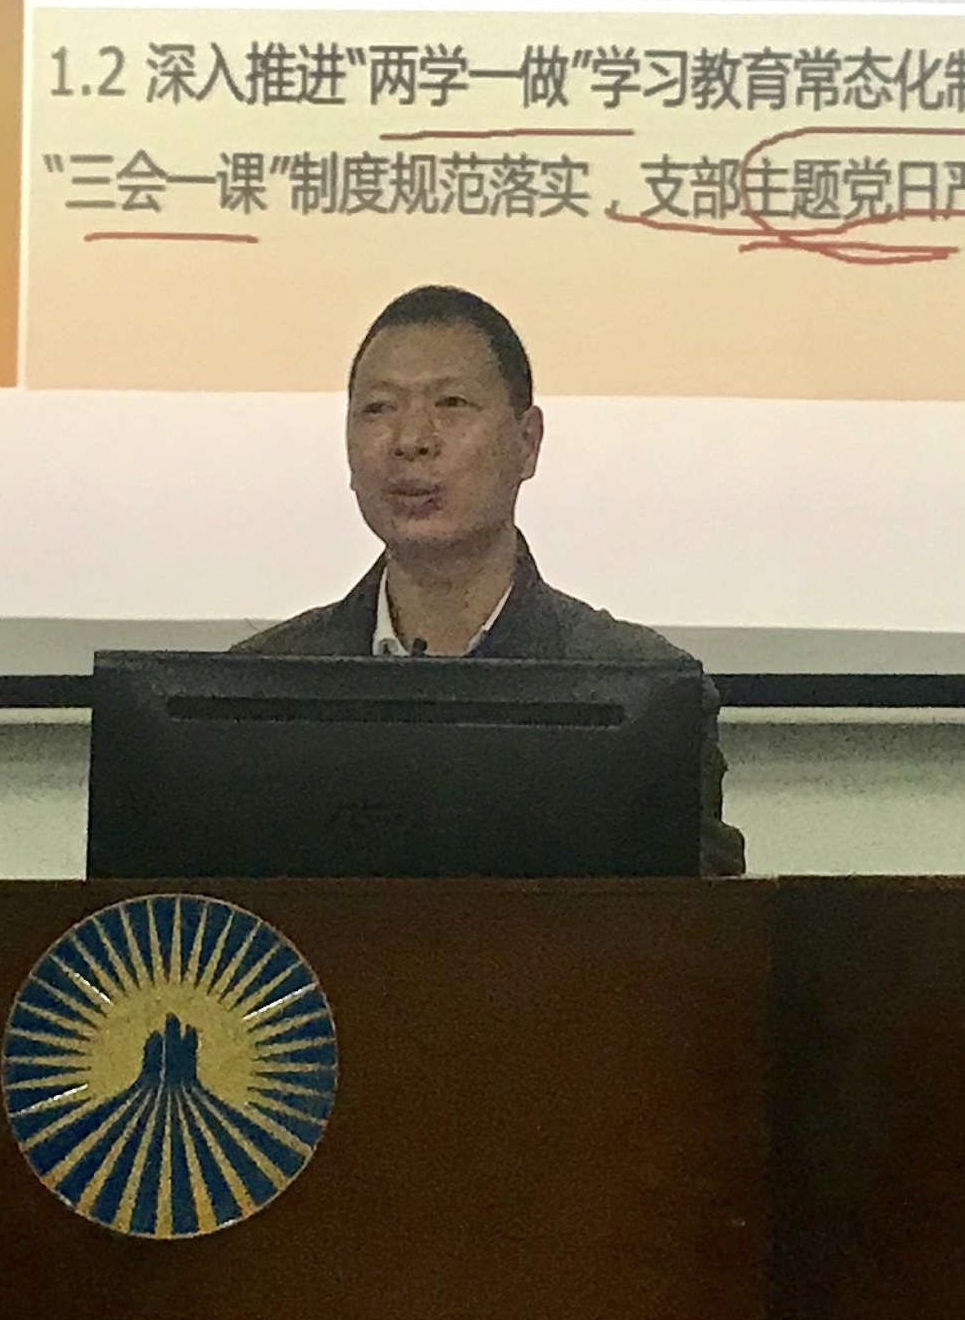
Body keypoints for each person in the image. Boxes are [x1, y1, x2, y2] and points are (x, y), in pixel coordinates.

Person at [236, 284, 746, 876]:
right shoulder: (256, 689)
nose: (410, 441)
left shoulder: (642, 694)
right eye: (378, 409)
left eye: (451, 403)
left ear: (527, 444)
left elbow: (704, 919)